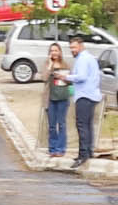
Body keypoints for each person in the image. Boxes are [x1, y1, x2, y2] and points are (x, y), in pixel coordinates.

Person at [64, 39, 108, 171]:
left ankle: (82, 155)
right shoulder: (90, 58)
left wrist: (66, 77)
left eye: (75, 47)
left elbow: (82, 77)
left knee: (82, 125)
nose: (73, 50)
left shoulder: (83, 59)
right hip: (92, 94)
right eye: (71, 48)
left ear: (81, 46)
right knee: (88, 125)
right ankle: (88, 152)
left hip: (84, 95)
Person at [39, 37, 74, 162]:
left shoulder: (65, 65)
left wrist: (65, 78)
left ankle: (61, 148)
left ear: (60, 52)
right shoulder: (46, 64)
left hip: (62, 97)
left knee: (62, 124)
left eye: (56, 50)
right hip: (50, 98)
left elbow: (71, 82)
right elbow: (43, 78)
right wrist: (49, 66)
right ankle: (52, 148)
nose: (54, 53)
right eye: (52, 51)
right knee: (52, 125)